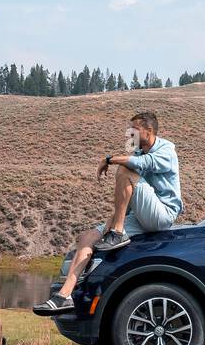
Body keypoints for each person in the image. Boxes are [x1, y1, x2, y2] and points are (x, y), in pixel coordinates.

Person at [33, 110, 182, 316]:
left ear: (149, 131)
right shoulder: (137, 153)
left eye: (134, 130)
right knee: (88, 237)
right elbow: (129, 198)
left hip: (162, 214)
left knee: (125, 169)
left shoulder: (167, 150)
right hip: (140, 216)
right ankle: (64, 296)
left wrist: (110, 159)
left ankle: (118, 233)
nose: (130, 134)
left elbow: (143, 165)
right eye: (129, 130)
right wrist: (108, 224)